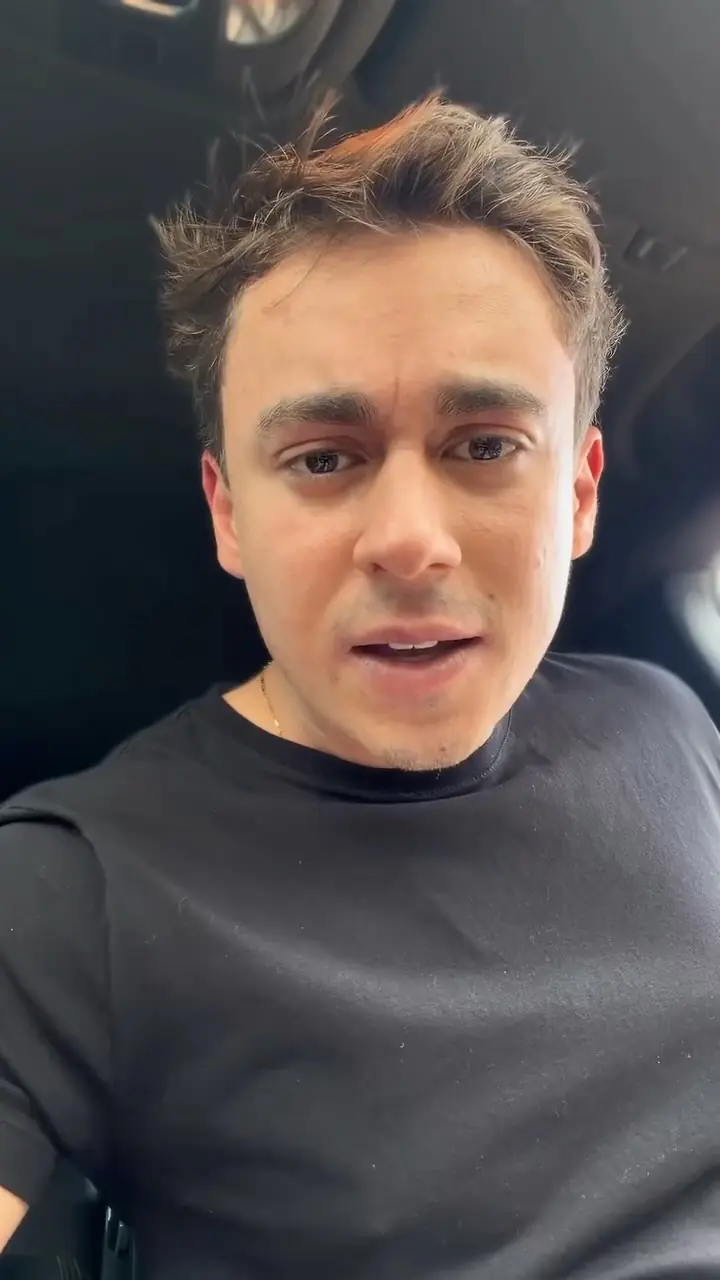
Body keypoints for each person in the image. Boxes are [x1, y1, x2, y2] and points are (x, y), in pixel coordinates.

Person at [1, 95, 720, 1280]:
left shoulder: (669, 722)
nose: (409, 540)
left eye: (485, 444)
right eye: (324, 458)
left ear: (581, 493)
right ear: (229, 512)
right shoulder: (69, 894)